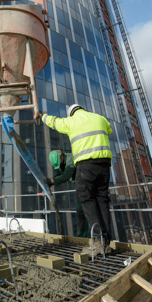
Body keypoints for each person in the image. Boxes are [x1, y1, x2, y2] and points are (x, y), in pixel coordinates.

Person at [41, 104, 113, 247]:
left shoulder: (71, 121)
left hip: (86, 165)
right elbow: (109, 131)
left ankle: (97, 240)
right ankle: (106, 240)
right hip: (105, 164)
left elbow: (54, 122)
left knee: (86, 199)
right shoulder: (100, 118)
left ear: (71, 114)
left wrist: (41, 115)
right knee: (102, 200)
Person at [46, 149, 88, 237]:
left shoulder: (70, 160)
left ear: (62, 157)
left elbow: (66, 175)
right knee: (80, 210)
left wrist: (52, 181)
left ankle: (84, 236)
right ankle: (82, 236)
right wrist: (50, 181)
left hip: (86, 183)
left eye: (59, 162)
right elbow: (59, 174)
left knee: (83, 210)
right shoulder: (62, 161)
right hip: (79, 184)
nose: (60, 165)